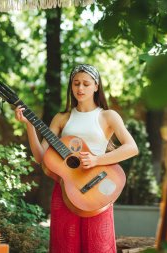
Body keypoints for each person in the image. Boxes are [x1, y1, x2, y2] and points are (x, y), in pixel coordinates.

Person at [15, 64, 139, 253]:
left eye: (86, 84)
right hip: (66, 189)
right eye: (76, 83)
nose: (80, 88)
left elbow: (132, 148)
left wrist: (97, 160)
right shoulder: (62, 118)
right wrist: (29, 126)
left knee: (97, 246)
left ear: (96, 86)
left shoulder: (108, 116)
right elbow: (41, 157)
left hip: (97, 188)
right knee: (65, 246)